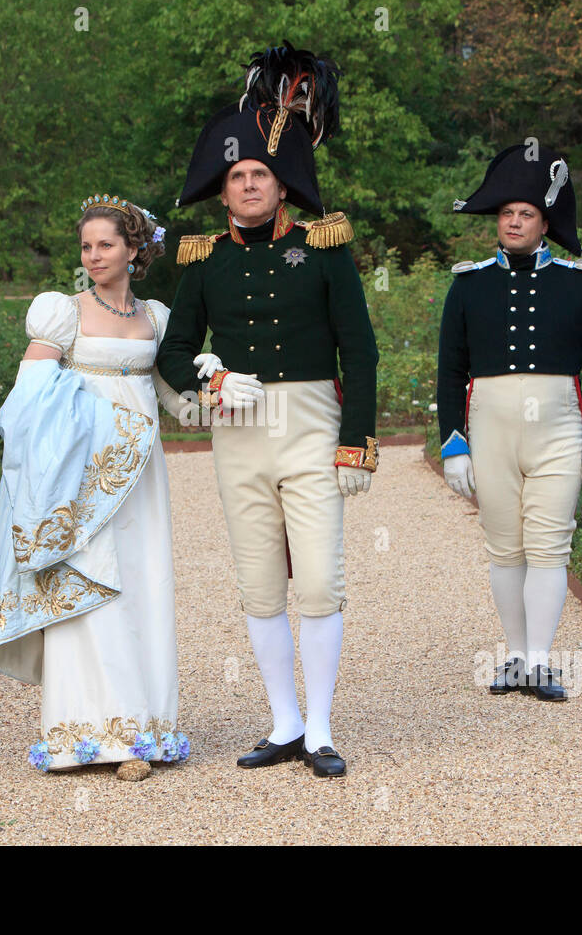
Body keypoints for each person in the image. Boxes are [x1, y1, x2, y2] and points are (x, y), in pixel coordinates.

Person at [157, 42, 379, 778]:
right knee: (258, 583)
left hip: (311, 426)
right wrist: (207, 386)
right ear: (223, 192)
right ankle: (282, 721)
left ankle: (320, 727)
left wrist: (355, 442)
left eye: (260, 175)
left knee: (318, 581)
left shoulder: (324, 250)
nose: (249, 185)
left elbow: (362, 353)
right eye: (237, 177)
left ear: (282, 186)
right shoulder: (203, 259)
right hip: (237, 435)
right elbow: (176, 344)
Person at [0, 194, 197, 777]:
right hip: (80, 473)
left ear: (134, 249)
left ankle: (146, 728)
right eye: (87, 246)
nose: (94, 255)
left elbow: (175, 400)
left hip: (142, 470)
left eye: (106, 244)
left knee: (143, 583)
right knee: (90, 587)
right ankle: (92, 736)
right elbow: (27, 400)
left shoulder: (155, 317)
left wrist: (215, 382)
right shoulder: (64, 313)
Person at [436, 144, 582, 701]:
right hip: (489, 430)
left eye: (526, 215)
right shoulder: (467, 284)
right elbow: (450, 369)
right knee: (503, 547)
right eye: (506, 214)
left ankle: (541, 660)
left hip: (559, 431)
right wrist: (454, 443)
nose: (513, 223)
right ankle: (514, 655)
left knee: (549, 546)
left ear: (545, 225)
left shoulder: (579, 281)